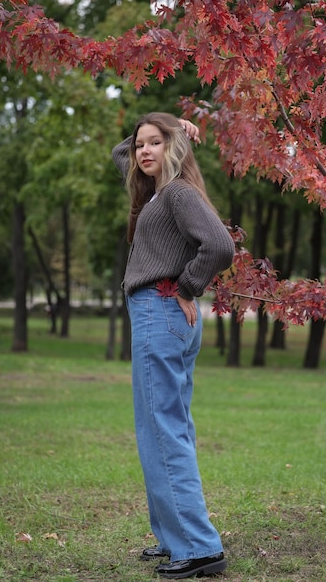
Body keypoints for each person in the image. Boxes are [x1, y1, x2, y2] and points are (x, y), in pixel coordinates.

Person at [112, 113, 234, 579]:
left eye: (155, 143)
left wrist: (187, 287)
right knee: (164, 427)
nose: (143, 151)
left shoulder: (179, 192)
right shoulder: (158, 195)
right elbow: (119, 154)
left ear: (174, 148)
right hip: (162, 314)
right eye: (141, 143)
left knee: (162, 429)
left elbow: (220, 246)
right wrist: (165, 125)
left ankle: (200, 548)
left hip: (162, 308)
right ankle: (172, 537)